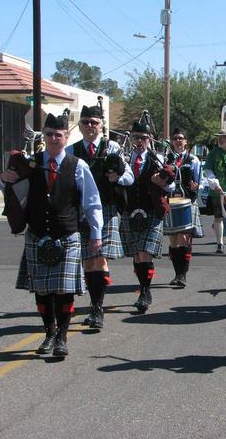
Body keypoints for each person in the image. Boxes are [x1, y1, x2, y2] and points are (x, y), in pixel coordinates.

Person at [3, 113, 103, 357]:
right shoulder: (31, 164)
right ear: (44, 136)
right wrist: (7, 181)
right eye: (49, 134)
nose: (54, 139)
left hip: (67, 235)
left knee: (64, 290)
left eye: (59, 135)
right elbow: (17, 194)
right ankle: (49, 333)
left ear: (67, 137)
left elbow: (92, 202)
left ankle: (62, 337)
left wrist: (96, 233)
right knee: (43, 290)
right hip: (37, 234)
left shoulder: (77, 165)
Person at [66, 104, 133, 329]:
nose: (90, 126)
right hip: (82, 211)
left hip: (107, 207)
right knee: (88, 260)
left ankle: (97, 307)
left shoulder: (112, 147)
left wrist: (117, 178)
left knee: (100, 257)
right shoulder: (72, 151)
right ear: (80, 125)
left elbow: (130, 176)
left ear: (101, 125)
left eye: (94, 122)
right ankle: (95, 305)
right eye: (85, 122)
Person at [120, 121, 175, 313]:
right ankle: (143, 287)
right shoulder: (124, 159)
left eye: (143, 137)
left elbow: (173, 187)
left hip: (152, 210)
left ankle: (145, 291)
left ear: (149, 138)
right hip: (130, 210)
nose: (140, 141)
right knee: (137, 254)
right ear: (131, 138)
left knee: (144, 253)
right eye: (136, 137)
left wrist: (162, 183)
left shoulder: (158, 159)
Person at [165, 127, 203, 287]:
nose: (178, 141)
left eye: (181, 138)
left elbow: (200, 182)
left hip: (188, 201)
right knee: (173, 240)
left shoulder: (193, 160)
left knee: (184, 239)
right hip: (171, 201)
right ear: (172, 142)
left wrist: (196, 187)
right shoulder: (167, 159)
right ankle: (176, 274)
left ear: (186, 141)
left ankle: (183, 275)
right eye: (175, 138)